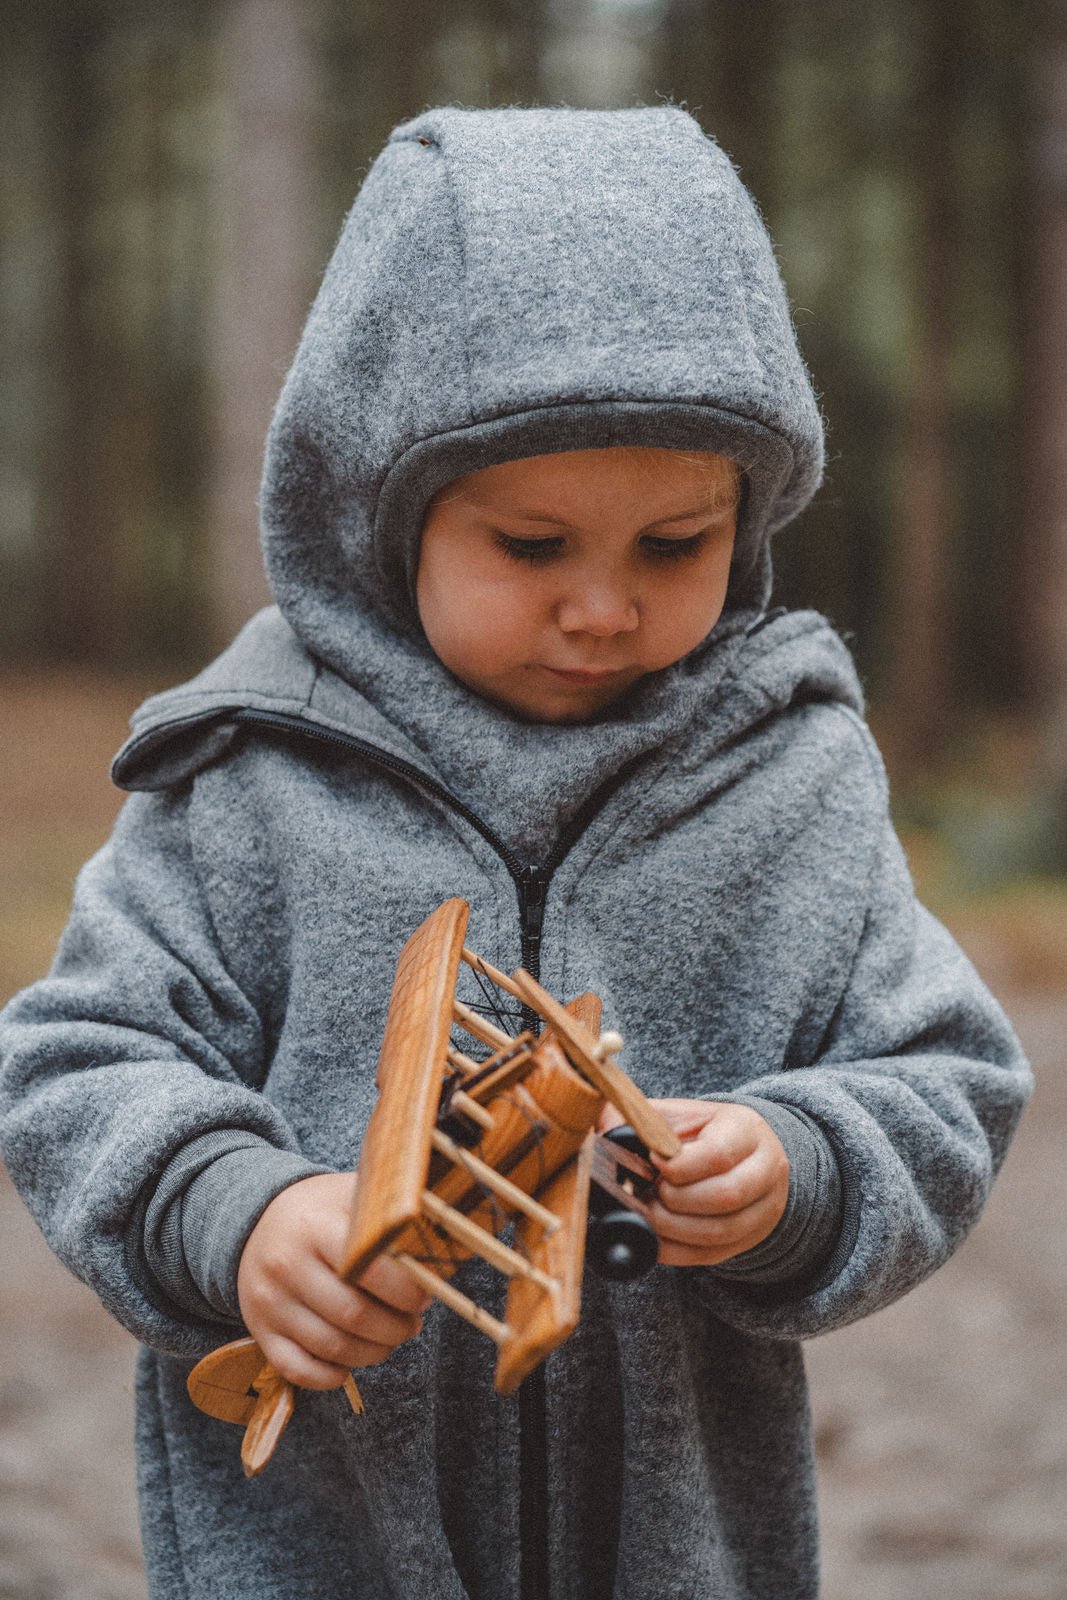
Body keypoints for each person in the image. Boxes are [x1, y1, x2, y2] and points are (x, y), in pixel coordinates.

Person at [0, 105, 1031, 1600]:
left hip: (677, 1556)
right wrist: (233, 1211)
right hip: (317, 1553)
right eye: (532, 548)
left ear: (746, 522)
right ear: (377, 506)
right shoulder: (249, 769)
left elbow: (945, 1074)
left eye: (673, 546)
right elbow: (77, 1057)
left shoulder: (790, 775)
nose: (604, 609)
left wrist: (799, 1168)